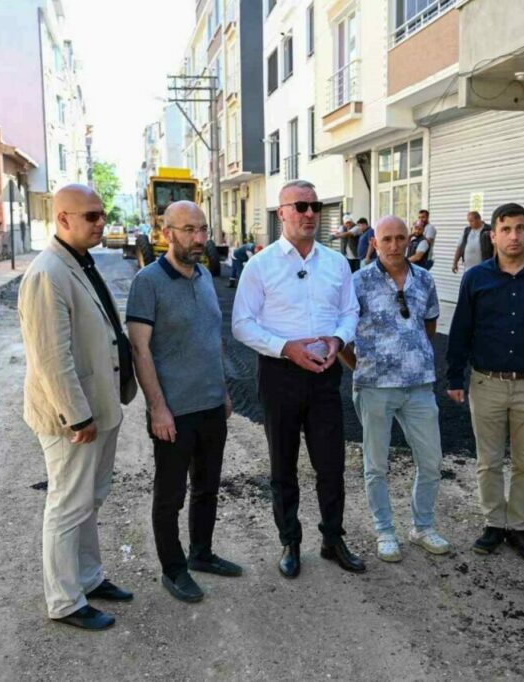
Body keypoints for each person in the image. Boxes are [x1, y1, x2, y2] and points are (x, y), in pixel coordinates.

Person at [18, 184, 138, 631]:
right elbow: (50, 357)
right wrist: (78, 416)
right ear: (63, 219)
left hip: (98, 407)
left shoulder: (80, 261)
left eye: (101, 214)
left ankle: (88, 578)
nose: (100, 222)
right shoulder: (48, 272)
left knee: (89, 499)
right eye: (90, 216)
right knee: (68, 505)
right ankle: (65, 600)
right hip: (73, 418)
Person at [232, 179, 365, 578]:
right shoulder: (260, 265)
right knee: (283, 465)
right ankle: (290, 541)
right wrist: (286, 347)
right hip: (280, 376)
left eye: (315, 206)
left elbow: (350, 311)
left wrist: (338, 338)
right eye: (301, 206)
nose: (310, 213)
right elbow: (242, 324)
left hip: (324, 375)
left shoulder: (336, 263)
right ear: (282, 213)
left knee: (331, 464)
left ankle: (332, 538)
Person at [445, 202, 524, 562]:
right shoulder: (476, 278)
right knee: (488, 461)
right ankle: (493, 523)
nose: (514, 236)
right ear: (493, 235)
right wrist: (455, 376)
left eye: (520, 228)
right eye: (506, 229)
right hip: (487, 384)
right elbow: (461, 330)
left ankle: (518, 527)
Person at [126, 201, 242, 604]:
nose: (199, 238)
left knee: (208, 487)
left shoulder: (205, 276)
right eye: (189, 230)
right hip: (173, 413)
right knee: (170, 495)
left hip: (210, 406)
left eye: (203, 229)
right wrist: (157, 408)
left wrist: (223, 391)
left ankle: (201, 553)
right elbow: (140, 350)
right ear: (167, 233)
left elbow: (211, 340)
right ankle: (173, 569)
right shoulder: (148, 282)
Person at [339, 216, 451, 563]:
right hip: (374, 388)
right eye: (386, 239)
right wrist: (362, 368)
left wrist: (411, 356)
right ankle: (385, 530)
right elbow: (341, 335)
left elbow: (428, 325)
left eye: (400, 238)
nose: (394, 245)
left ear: (409, 240)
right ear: (374, 242)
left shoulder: (425, 280)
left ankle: (422, 526)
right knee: (376, 465)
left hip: (418, 386)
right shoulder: (357, 283)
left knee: (431, 461)